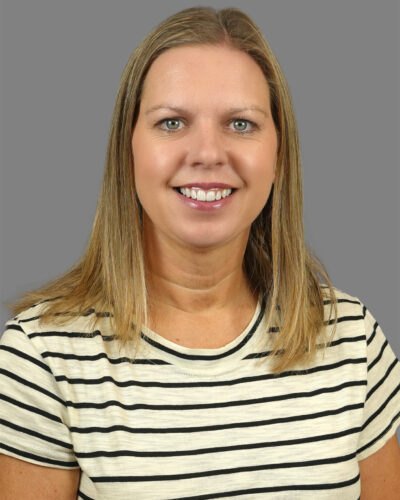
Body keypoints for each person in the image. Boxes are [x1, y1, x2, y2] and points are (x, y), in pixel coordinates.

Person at [0, 5, 399, 499]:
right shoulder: (43, 360)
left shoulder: (351, 341)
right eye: (171, 123)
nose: (208, 152)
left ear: (279, 152)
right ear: (128, 149)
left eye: (240, 124)